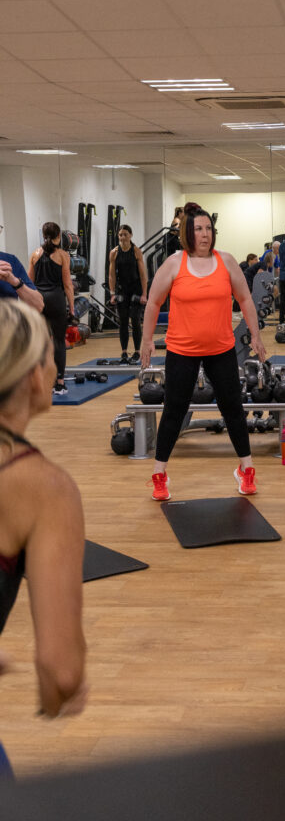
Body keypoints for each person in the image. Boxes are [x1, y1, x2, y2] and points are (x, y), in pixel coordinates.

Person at [140, 202, 267, 501]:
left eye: (209, 228)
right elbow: (153, 303)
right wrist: (147, 340)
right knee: (174, 411)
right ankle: (160, 475)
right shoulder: (174, 263)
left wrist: (256, 336)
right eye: (199, 228)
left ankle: (246, 469)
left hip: (220, 349)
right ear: (188, 232)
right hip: (182, 351)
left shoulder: (226, 261)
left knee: (233, 409)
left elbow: (246, 299)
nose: (205, 234)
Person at [0, 300, 87, 717]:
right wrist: (57, 698)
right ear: (35, 376)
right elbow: (61, 672)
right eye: (53, 358)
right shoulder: (43, 488)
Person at [28, 223, 75, 396]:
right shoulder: (62, 255)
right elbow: (68, 285)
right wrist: (72, 308)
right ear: (58, 236)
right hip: (55, 300)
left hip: (38, 299)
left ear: (43, 235)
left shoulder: (35, 254)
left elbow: (29, 283)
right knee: (59, 341)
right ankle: (60, 384)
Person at [108, 224, 148, 364]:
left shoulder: (136, 251)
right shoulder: (114, 253)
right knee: (123, 321)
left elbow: (143, 275)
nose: (123, 237)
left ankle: (137, 351)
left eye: (125, 234)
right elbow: (112, 275)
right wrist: (112, 293)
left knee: (136, 320)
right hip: (122, 290)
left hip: (136, 288)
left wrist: (144, 294)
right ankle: (124, 352)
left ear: (130, 235)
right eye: (120, 235)